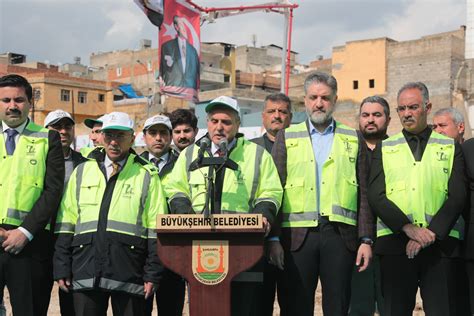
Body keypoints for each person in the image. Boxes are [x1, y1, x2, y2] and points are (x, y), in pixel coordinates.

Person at [166, 95, 283, 316]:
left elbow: (271, 191)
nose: (219, 127)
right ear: (207, 123)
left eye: (226, 122)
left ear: (238, 125)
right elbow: (175, 189)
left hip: (244, 249)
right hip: (201, 249)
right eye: (214, 121)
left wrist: (262, 216)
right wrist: (187, 217)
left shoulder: (257, 155)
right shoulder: (191, 154)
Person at [271, 72, 374, 316]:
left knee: (337, 306)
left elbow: (365, 194)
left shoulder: (353, 137)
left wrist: (366, 240)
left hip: (340, 236)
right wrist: (273, 239)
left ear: (335, 100)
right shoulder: (286, 137)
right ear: (305, 101)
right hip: (296, 239)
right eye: (314, 97)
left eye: (325, 98)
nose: (319, 103)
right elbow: (273, 190)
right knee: (296, 306)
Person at [53, 112, 167, 316]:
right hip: (86, 268)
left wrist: (152, 274)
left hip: (130, 271)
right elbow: (66, 221)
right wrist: (61, 264)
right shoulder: (82, 171)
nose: (114, 142)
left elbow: (156, 229)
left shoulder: (147, 175)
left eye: (120, 136)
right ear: (102, 137)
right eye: (109, 135)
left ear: (132, 138)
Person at [368, 82, 466, 316]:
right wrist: (408, 228)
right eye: (401, 109)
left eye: (412, 107)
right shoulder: (385, 147)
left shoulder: (450, 146)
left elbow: (457, 195)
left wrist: (430, 233)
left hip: (440, 247)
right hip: (395, 245)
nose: (406, 114)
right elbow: (376, 195)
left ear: (427, 107)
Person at [0, 74, 64, 315]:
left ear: (29, 103)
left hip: (30, 243)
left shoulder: (48, 138)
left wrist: (24, 232)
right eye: (5, 100)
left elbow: (53, 190)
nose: (12, 105)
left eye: (19, 99)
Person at [251, 92, 292, 316]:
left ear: (291, 116)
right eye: (272, 111)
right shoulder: (249, 150)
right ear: (262, 117)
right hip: (256, 239)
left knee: (293, 303)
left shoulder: (301, 147)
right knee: (259, 304)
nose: (277, 116)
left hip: (295, 239)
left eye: (282, 111)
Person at [350, 96, 391, 316]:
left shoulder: (396, 149)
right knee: (358, 306)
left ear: (388, 119)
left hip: (390, 240)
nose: (371, 120)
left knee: (391, 304)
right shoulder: (348, 149)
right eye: (365, 115)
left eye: (377, 115)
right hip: (354, 241)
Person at [45, 109, 87, 316]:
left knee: (69, 292)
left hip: (71, 235)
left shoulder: (85, 164)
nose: (62, 131)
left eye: (67, 127)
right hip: (41, 233)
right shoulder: (35, 161)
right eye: (56, 127)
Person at [140, 114, 183, 316]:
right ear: (144, 136)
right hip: (141, 251)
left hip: (173, 248)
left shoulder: (183, 164)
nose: (158, 138)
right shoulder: (134, 165)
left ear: (170, 136)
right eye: (153, 133)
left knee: (171, 308)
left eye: (163, 133)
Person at [160, 15, 200, 89]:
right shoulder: (167, 46)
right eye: (182, 25)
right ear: (176, 27)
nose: (185, 28)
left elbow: (197, 72)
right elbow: (162, 70)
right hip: (173, 90)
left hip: (190, 91)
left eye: (186, 25)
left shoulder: (193, 51)